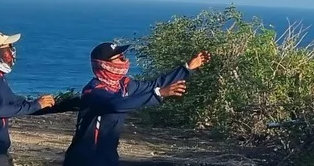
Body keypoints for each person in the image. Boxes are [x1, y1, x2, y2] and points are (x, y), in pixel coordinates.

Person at [62, 42, 210, 166]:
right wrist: (159, 94)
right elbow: (116, 105)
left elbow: (155, 84)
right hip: (85, 158)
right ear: (105, 65)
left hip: (108, 157)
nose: (124, 60)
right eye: (119, 58)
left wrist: (187, 68)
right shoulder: (93, 91)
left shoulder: (124, 85)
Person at [0, 32, 58, 166]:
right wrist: (35, 105)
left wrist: (44, 105)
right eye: (9, 46)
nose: (13, 51)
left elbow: (14, 102)